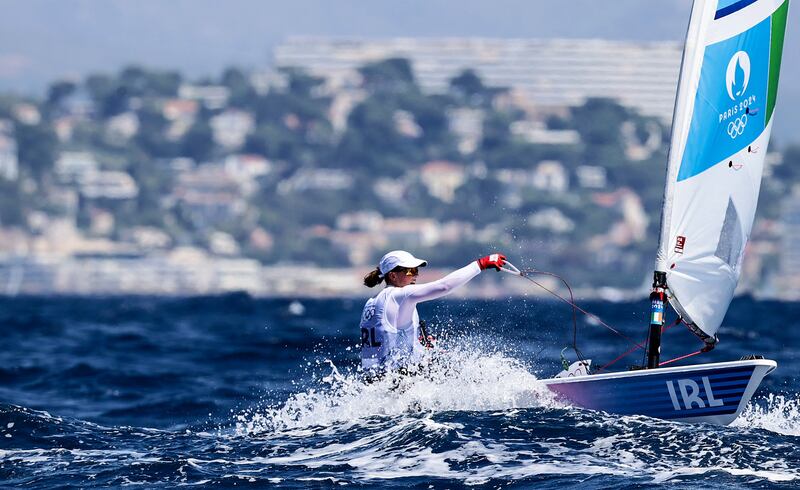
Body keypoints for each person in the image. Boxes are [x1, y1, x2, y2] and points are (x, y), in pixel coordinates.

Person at [360, 250, 507, 373]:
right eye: (411, 271)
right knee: (469, 370)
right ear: (393, 275)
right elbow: (444, 286)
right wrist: (480, 264)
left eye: (417, 270)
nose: (416, 275)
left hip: (377, 382)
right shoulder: (399, 295)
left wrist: (420, 346)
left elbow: (389, 340)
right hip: (398, 383)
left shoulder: (372, 303)